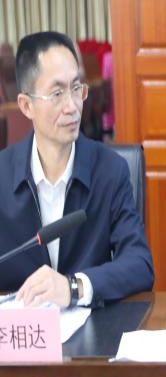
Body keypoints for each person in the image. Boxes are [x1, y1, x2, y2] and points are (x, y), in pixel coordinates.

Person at [0, 31, 154, 308]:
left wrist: (74, 287)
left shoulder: (110, 170)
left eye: (76, 89)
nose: (72, 106)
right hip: (21, 331)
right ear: (26, 105)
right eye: (57, 93)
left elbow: (139, 264)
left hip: (92, 331)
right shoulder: (2, 174)